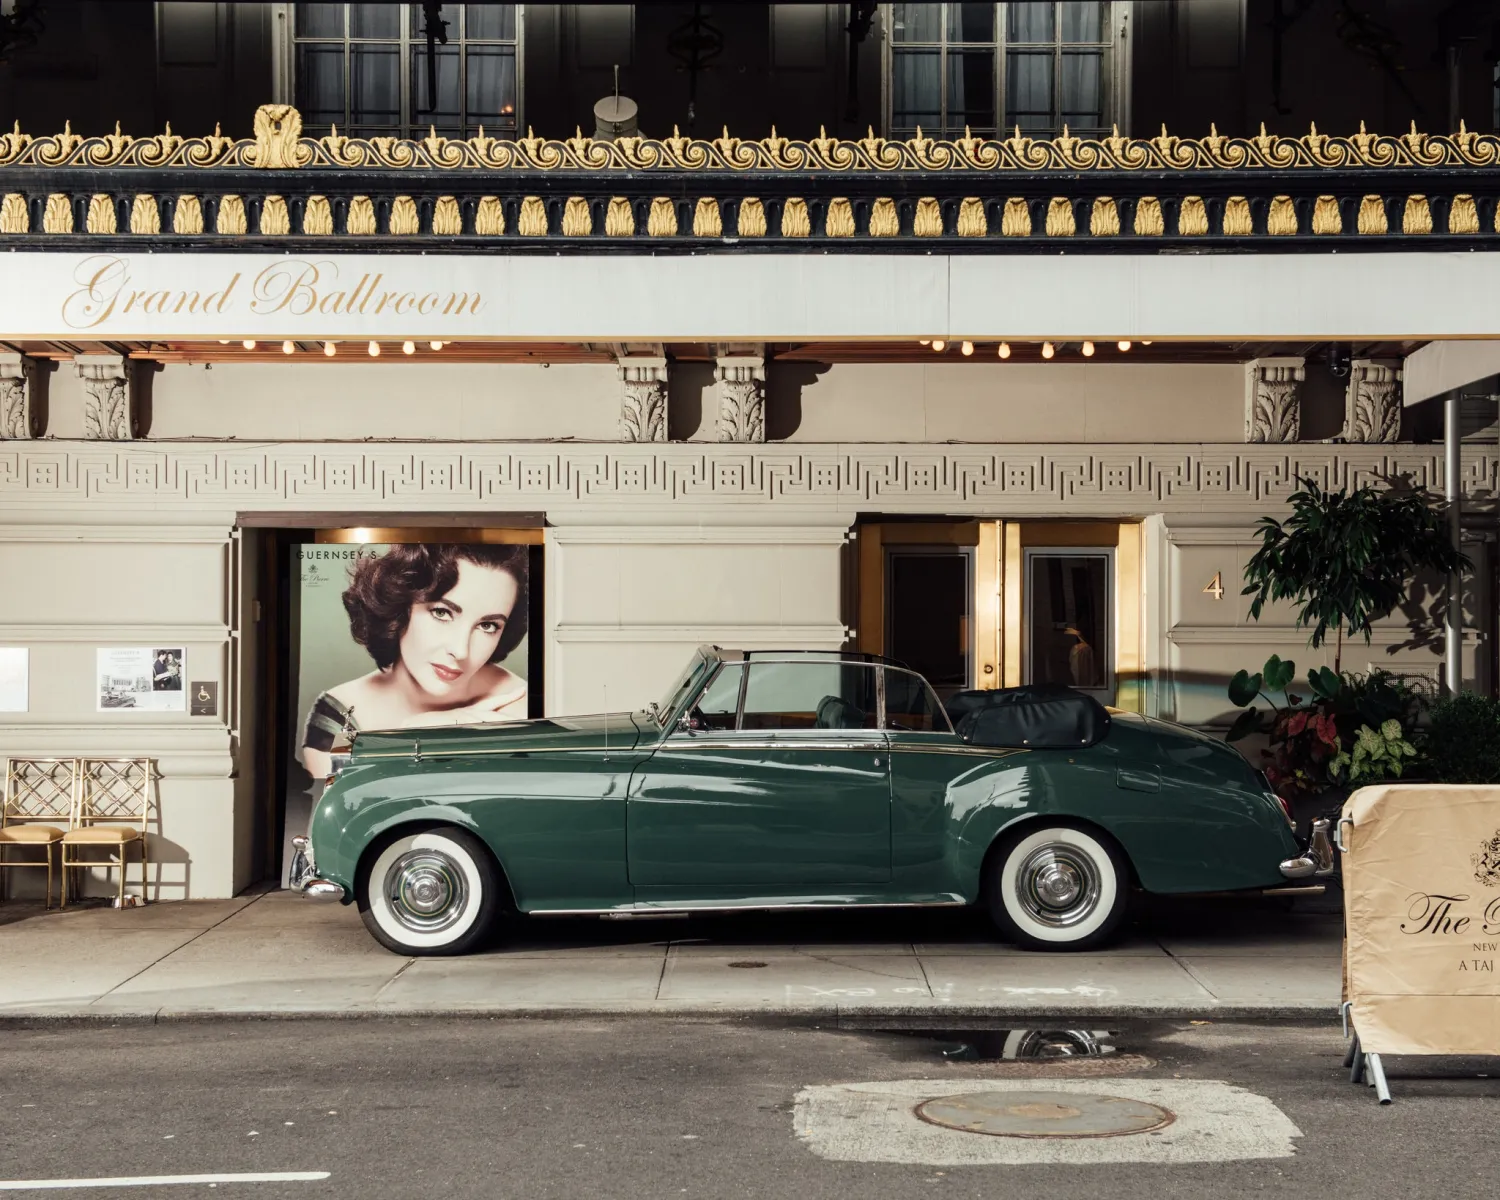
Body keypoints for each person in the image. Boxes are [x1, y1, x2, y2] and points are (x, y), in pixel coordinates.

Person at [298, 543, 529, 781]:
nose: (460, 650)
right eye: (442, 612)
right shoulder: (340, 714)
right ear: (400, 605)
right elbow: (342, 807)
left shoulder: (518, 704)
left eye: (487, 626)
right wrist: (412, 734)